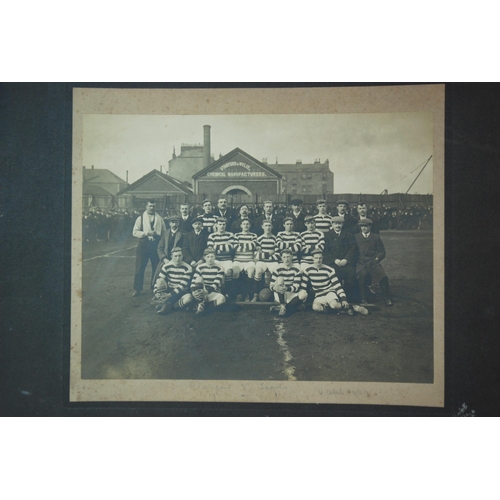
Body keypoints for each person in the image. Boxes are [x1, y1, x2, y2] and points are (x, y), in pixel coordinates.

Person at [132, 200, 167, 297]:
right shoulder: (140, 218)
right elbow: (134, 232)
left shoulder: (160, 219)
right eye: (150, 206)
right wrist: (146, 233)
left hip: (155, 245)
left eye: (154, 206)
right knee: (139, 268)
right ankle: (137, 289)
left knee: (156, 268)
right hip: (143, 245)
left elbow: (164, 232)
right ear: (146, 206)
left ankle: (154, 288)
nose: (152, 208)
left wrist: (158, 235)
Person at [355, 219, 393, 306]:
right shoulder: (356, 237)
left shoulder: (375, 237)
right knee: (362, 275)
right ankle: (363, 299)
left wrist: (376, 259)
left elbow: (382, 251)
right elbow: (353, 250)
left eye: (366, 226)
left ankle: (386, 298)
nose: (364, 228)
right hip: (360, 263)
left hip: (372, 262)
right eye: (362, 226)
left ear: (370, 227)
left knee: (382, 276)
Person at [302, 249, 352, 315]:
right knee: (316, 308)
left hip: (329, 292)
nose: (318, 260)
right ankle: (342, 311)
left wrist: (344, 299)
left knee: (334, 305)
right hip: (318, 295)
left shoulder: (329, 269)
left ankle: (351, 307)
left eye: (320, 258)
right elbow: (303, 286)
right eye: (316, 258)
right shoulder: (307, 270)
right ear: (312, 258)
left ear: (322, 258)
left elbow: (337, 285)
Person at [323, 216, 359, 303]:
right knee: (334, 276)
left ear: (342, 224)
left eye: (339, 224)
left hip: (346, 263)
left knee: (351, 275)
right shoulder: (326, 235)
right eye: (335, 224)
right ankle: (337, 298)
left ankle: (349, 299)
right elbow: (325, 250)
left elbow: (352, 249)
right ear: (332, 224)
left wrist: (346, 259)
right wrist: (334, 260)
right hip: (333, 263)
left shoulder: (349, 235)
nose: (337, 226)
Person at [155, 247, 194, 315]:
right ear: (171, 256)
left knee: (189, 298)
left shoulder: (188, 268)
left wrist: (170, 295)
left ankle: (167, 305)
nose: (178, 258)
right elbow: (159, 280)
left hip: (182, 291)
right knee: (160, 285)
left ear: (182, 256)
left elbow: (182, 285)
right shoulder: (166, 266)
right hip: (170, 289)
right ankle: (166, 303)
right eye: (175, 256)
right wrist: (156, 292)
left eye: (179, 255)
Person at [187, 248, 226, 314]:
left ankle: (204, 307)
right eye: (208, 257)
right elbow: (193, 281)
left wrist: (206, 292)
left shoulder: (220, 268)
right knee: (199, 278)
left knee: (222, 299)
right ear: (204, 257)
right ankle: (200, 303)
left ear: (215, 257)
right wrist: (193, 292)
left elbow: (216, 284)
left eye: (212, 256)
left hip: (212, 292)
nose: (210, 259)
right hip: (201, 292)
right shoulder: (200, 267)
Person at [269, 249, 307, 317]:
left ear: (292, 257)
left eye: (288, 257)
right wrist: (276, 288)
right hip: (280, 294)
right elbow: (271, 285)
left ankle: (283, 308)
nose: (286, 259)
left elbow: (296, 287)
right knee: (280, 279)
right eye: (284, 257)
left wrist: (286, 288)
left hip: (291, 292)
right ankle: (290, 307)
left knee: (304, 294)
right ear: (281, 258)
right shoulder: (277, 269)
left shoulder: (296, 269)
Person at [207, 217, 235, 298]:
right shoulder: (212, 236)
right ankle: (220, 292)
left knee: (228, 272)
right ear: (216, 225)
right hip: (216, 259)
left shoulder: (230, 234)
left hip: (227, 259)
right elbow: (211, 250)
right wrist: (225, 245)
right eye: (220, 224)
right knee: (218, 274)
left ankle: (228, 293)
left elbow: (231, 249)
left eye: (223, 224)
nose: (222, 226)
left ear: (226, 225)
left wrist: (217, 246)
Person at [152, 215, 185, 284]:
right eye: (172, 222)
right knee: (159, 276)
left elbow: (185, 248)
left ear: (178, 223)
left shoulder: (183, 234)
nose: (174, 224)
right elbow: (160, 248)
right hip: (166, 259)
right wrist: (164, 258)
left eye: (176, 222)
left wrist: (178, 258)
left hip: (178, 259)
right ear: (169, 223)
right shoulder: (165, 233)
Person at [233, 218, 259, 302]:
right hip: (238, 260)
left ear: (250, 225)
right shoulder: (236, 235)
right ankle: (239, 294)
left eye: (247, 224)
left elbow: (253, 246)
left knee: (251, 272)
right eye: (244, 224)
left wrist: (241, 246)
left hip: (249, 260)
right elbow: (235, 246)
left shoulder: (254, 235)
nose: (246, 225)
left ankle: (247, 295)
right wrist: (248, 246)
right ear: (241, 225)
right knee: (235, 272)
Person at [255, 220, 280, 289]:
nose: (268, 227)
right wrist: (270, 253)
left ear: (272, 227)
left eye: (269, 226)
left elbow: (277, 254)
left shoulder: (275, 239)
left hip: (272, 261)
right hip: (262, 262)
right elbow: (258, 256)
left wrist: (265, 255)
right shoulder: (259, 239)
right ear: (262, 227)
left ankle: (275, 292)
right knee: (258, 271)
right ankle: (256, 294)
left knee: (278, 272)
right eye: (266, 226)